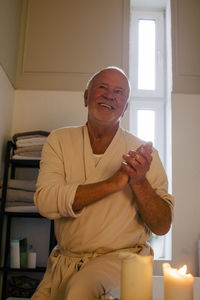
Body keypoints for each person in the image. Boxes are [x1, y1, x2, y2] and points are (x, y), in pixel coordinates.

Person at [31, 66, 174, 300]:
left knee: (79, 291)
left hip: (122, 263)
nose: (109, 95)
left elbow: (162, 225)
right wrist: (113, 183)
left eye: (118, 92)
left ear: (125, 107)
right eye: (102, 87)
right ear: (86, 96)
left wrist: (139, 182)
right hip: (65, 262)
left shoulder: (144, 156)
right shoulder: (59, 141)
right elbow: (45, 202)